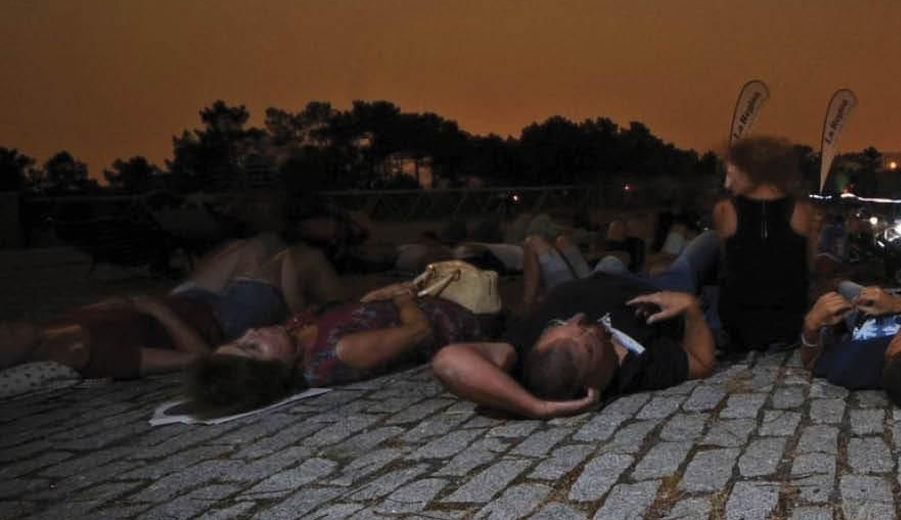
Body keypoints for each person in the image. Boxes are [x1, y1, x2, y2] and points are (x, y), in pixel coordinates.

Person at [430, 230, 722, 419]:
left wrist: (535, 407)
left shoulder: (527, 356)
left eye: (557, 325)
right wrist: (691, 308)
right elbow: (701, 361)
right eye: (586, 335)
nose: (579, 319)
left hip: (595, 277)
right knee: (706, 242)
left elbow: (448, 361)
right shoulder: (635, 368)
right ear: (592, 383)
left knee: (607, 260)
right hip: (655, 287)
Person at [0, 236, 338, 380]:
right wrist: (156, 311)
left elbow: (122, 309)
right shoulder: (95, 356)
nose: (6, 327)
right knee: (286, 258)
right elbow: (201, 357)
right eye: (5, 338)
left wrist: (130, 304)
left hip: (183, 299)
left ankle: (302, 305)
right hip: (218, 318)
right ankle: (305, 315)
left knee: (251, 246)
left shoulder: (53, 327)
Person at [186, 279, 481, 416]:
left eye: (239, 339)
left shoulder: (294, 338)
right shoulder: (341, 351)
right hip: (461, 316)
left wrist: (372, 298)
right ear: (276, 371)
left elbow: (350, 316)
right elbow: (419, 331)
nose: (250, 332)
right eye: (252, 347)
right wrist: (402, 298)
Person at [712, 136, 816, 353]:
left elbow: (726, 265)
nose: (727, 183)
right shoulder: (802, 210)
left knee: (703, 248)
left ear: (750, 171)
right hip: (790, 325)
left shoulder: (725, 210)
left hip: (738, 327)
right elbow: (809, 266)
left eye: (732, 174)